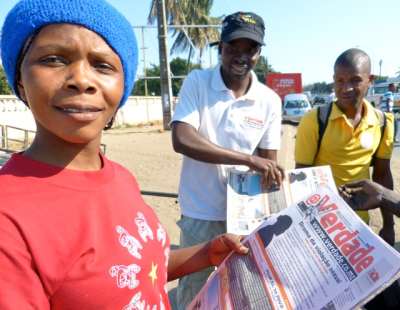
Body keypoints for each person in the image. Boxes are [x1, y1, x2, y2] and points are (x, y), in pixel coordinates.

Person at [0, 1, 249, 309]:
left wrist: (206, 252)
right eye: (53, 59)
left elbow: (136, 271)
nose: (82, 79)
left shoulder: (121, 177)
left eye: (102, 65)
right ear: (21, 81)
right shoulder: (8, 217)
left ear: (123, 88)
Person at [171, 11, 283, 308]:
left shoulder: (269, 100)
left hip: (245, 218)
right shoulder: (198, 82)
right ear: (220, 47)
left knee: (241, 290)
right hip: (201, 213)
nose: (241, 55)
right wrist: (247, 159)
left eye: (251, 49)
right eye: (234, 46)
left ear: (259, 54)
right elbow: (181, 138)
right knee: (196, 290)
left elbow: (268, 164)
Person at [295, 48, 395, 245]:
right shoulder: (314, 121)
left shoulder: (384, 122)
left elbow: (382, 176)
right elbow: (301, 178)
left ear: (370, 79)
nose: (346, 88)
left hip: (360, 225)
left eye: (355, 80)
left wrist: (389, 224)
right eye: (339, 80)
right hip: (320, 226)